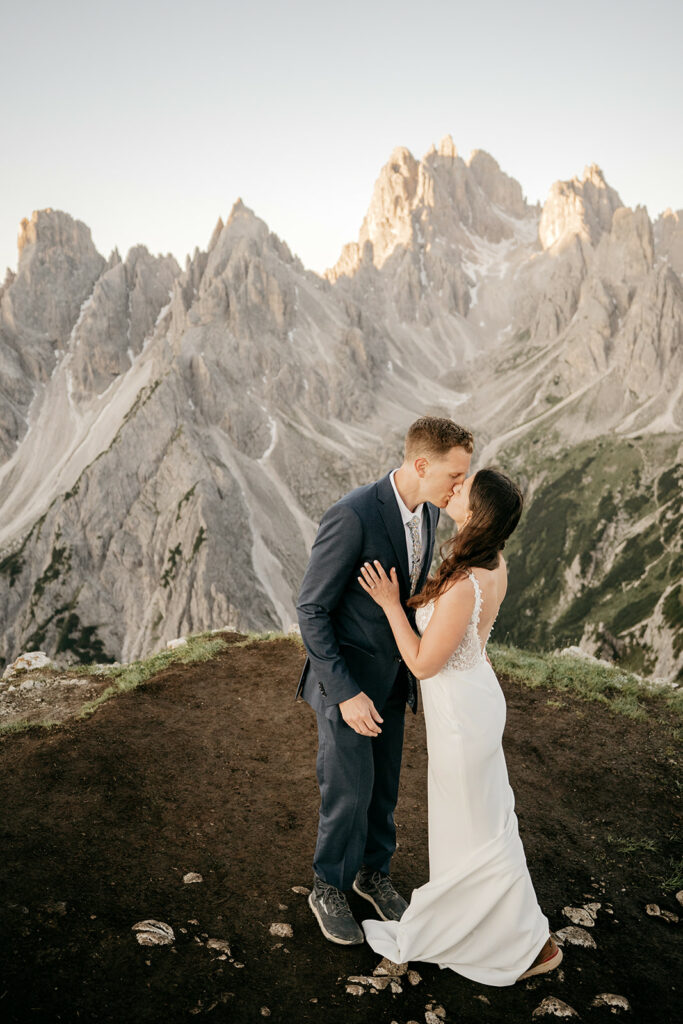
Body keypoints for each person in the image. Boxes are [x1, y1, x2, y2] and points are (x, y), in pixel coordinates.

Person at [357, 468, 562, 984]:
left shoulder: (465, 583)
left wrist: (388, 605)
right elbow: (467, 640)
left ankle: (523, 944)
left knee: (473, 826)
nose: (455, 488)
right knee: (483, 823)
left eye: (463, 490)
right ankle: (513, 931)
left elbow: (424, 664)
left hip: (461, 718)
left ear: (475, 515)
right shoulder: (492, 565)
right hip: (474, 697)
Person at [296, 417, 474, 945]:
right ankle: (327, 885)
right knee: (347, 789)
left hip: (396, 681)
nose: (460, 488)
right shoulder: (352, 515)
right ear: (421, 465)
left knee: (385, 788)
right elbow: (311, 607)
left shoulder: (427, 513)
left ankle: (373, 874)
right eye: (455, 476)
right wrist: (346, 692)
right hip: (347, 686)